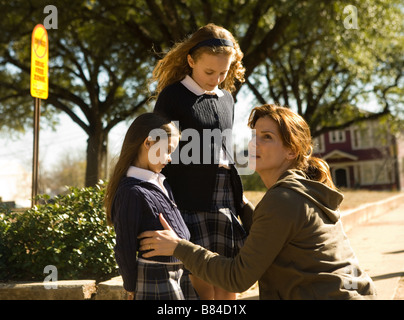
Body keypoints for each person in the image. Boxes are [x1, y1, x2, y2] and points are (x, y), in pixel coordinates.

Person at [138, 104, 377, 300]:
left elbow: (238, 277)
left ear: (291, 151)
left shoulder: (283, 200)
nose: (255, 143)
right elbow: (274, 233)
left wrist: (178, 246)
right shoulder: (303, 191)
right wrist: (240, 204)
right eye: (254, 136)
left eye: (267, 137)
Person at [151, 23, 251, 300]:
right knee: (203, 283)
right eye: (209, 72)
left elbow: (224, 149)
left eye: (223, 72)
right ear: (191, 60)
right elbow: (159, 151)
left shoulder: (227, 99)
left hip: (225, 197)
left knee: (228, 278)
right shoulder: (172, 96)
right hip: (189, 198)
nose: (216, 79)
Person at [104, 112, 190, 300]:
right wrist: (130, 286)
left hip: (178, 275)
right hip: (155, 279)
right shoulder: (131, 192)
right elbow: (124, 247)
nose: (169, 158)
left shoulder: (162, 183)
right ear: (148, 143)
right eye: (167, 150)